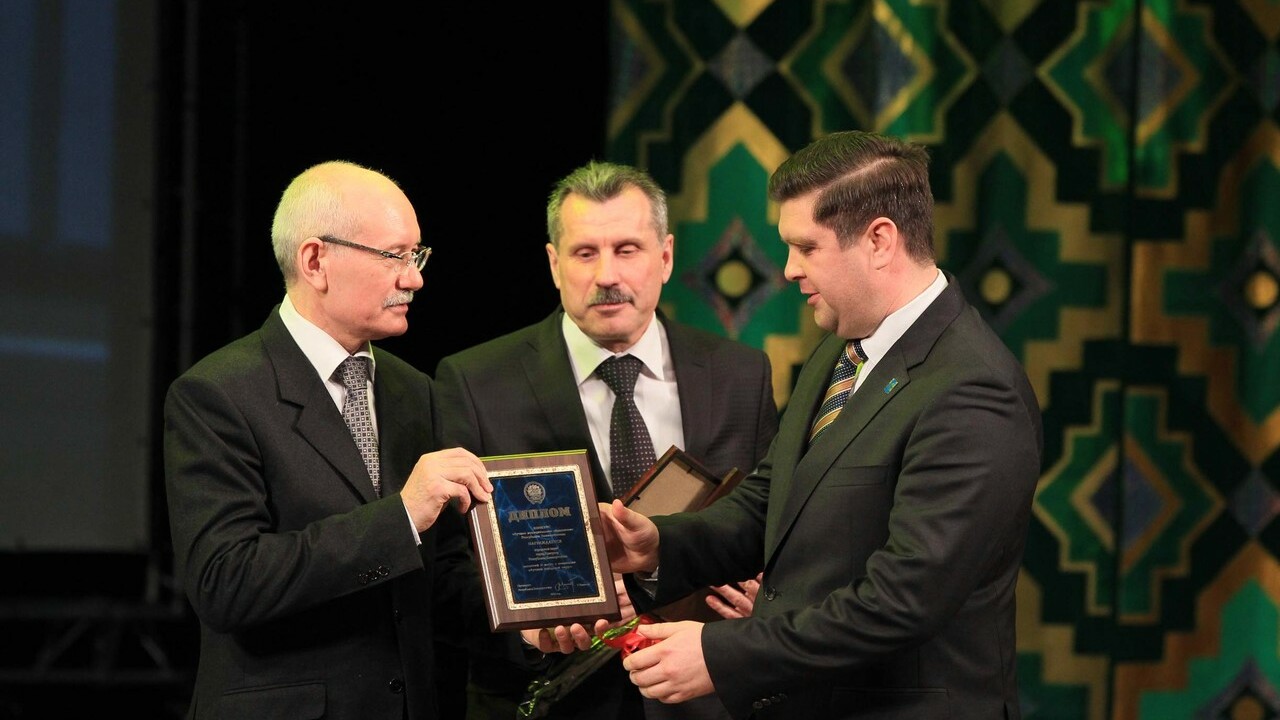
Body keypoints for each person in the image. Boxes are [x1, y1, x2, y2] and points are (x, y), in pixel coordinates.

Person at [598, 131, 1044, 719]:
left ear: (880, 240)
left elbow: (902, 601)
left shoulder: (974, 390)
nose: (788, 270)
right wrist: (659, 544)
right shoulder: (843, 346)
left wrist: (721, 654)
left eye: (806, 247)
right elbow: (772, 499)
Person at [163, 160, 520, 719]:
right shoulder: (217, 394)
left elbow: (441, 578)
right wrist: (401, 516)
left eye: (417, 255)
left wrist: (527, 621)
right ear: (315, 261)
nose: (414, 279)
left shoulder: (416, 392)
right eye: (394, 256)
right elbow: (226, 582)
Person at [433, 160, 779, 720]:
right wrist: (528, 632)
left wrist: (771, 604)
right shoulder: (474, 382)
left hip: (706, 700)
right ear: (554, 264)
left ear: (665, 257)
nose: (607, 275)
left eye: (627, 249)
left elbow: (776, 524)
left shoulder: (742, 374)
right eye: (585, 253)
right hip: (548, 700)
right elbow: (445, 566)